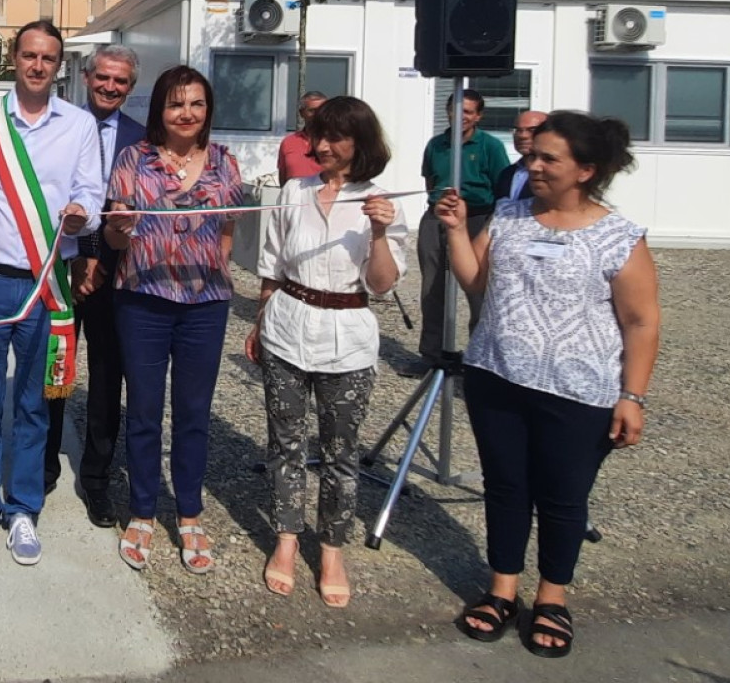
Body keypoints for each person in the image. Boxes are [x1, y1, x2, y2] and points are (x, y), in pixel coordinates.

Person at [438, 112, 659, 659]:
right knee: (506, 487)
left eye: (547, 158)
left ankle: (553, 598)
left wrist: (632, 396)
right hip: (497, 377)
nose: (532, 165)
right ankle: (502, 589)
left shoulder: (617, 237)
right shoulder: (510, 216)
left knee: (563, 498)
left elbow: (641, 321)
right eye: (532, 155)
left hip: (579, 392)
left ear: (585, 170)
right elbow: (477, 282)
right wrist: (454, 230)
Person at [246, 96, 406, 607]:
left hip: (348, 336)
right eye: (318, 135)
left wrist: (381, 230)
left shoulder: (380, 200)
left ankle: (332, 547)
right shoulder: (294, 190)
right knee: (286, 444)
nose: (321, 146)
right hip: (288, 325)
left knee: (340, 453)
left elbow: (382, 284)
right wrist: (260, 319)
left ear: (360, 142)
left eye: (335, 136)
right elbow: (272, 265)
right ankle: (287, 539)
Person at [0, 21, 104, 566]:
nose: (38, 66)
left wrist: (80, 216)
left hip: (50, 283)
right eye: (28, 56)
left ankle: (22, 509)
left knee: (35, 404)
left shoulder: (80, 125)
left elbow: (91, 190)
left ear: (59, 65)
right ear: (14, 60)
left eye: (48, 58)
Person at [100, 66, 243, 574]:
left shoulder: (226, 163)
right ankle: (141, 510)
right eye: (176, 104)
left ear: (208, 110)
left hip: (206, 306)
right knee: (142, 410)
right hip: (142, 299)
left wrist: (217, 271)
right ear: (159, 109)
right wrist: (119, 229)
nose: (187, 113)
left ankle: (188, 512)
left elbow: (227, 231)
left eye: (196, 104)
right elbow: (117, 240)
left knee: (193, 412)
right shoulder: (132, 160)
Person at [46, 44, 143, 527]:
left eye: (120, 81)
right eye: (103, 77)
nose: (110, 87)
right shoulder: (62, 125)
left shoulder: (142, 141)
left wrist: (103, 260)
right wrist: (82, 259)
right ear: (87, 76)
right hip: (65, 267)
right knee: (55, 367)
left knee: (108, 378)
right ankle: (42, 464)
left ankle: (97, 478)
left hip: (118, 276)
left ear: (131, 86)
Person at [412, 88, 510, 372]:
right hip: (437, 217)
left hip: (476, 219)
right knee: (433, 288)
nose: (461, 117)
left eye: (468, 111)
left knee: (478, 289)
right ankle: (431, 356)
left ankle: (479, 358)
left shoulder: (490, 146)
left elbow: (500, 187)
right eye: (455, 110)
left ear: (478, 116)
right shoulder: (436, 145)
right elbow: (430, 181)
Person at [494, 109, 550, 204]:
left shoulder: (554, 172)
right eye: (518, 130)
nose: (522, 136)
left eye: (532, 130)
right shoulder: (507, 173)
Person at [276, 90, 327, 184]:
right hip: (294, 197)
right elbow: (283, 181)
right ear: (301, 113)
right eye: (312, 111)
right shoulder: (288, 142)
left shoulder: (335, 142)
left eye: (322, 110)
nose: (318, 115)